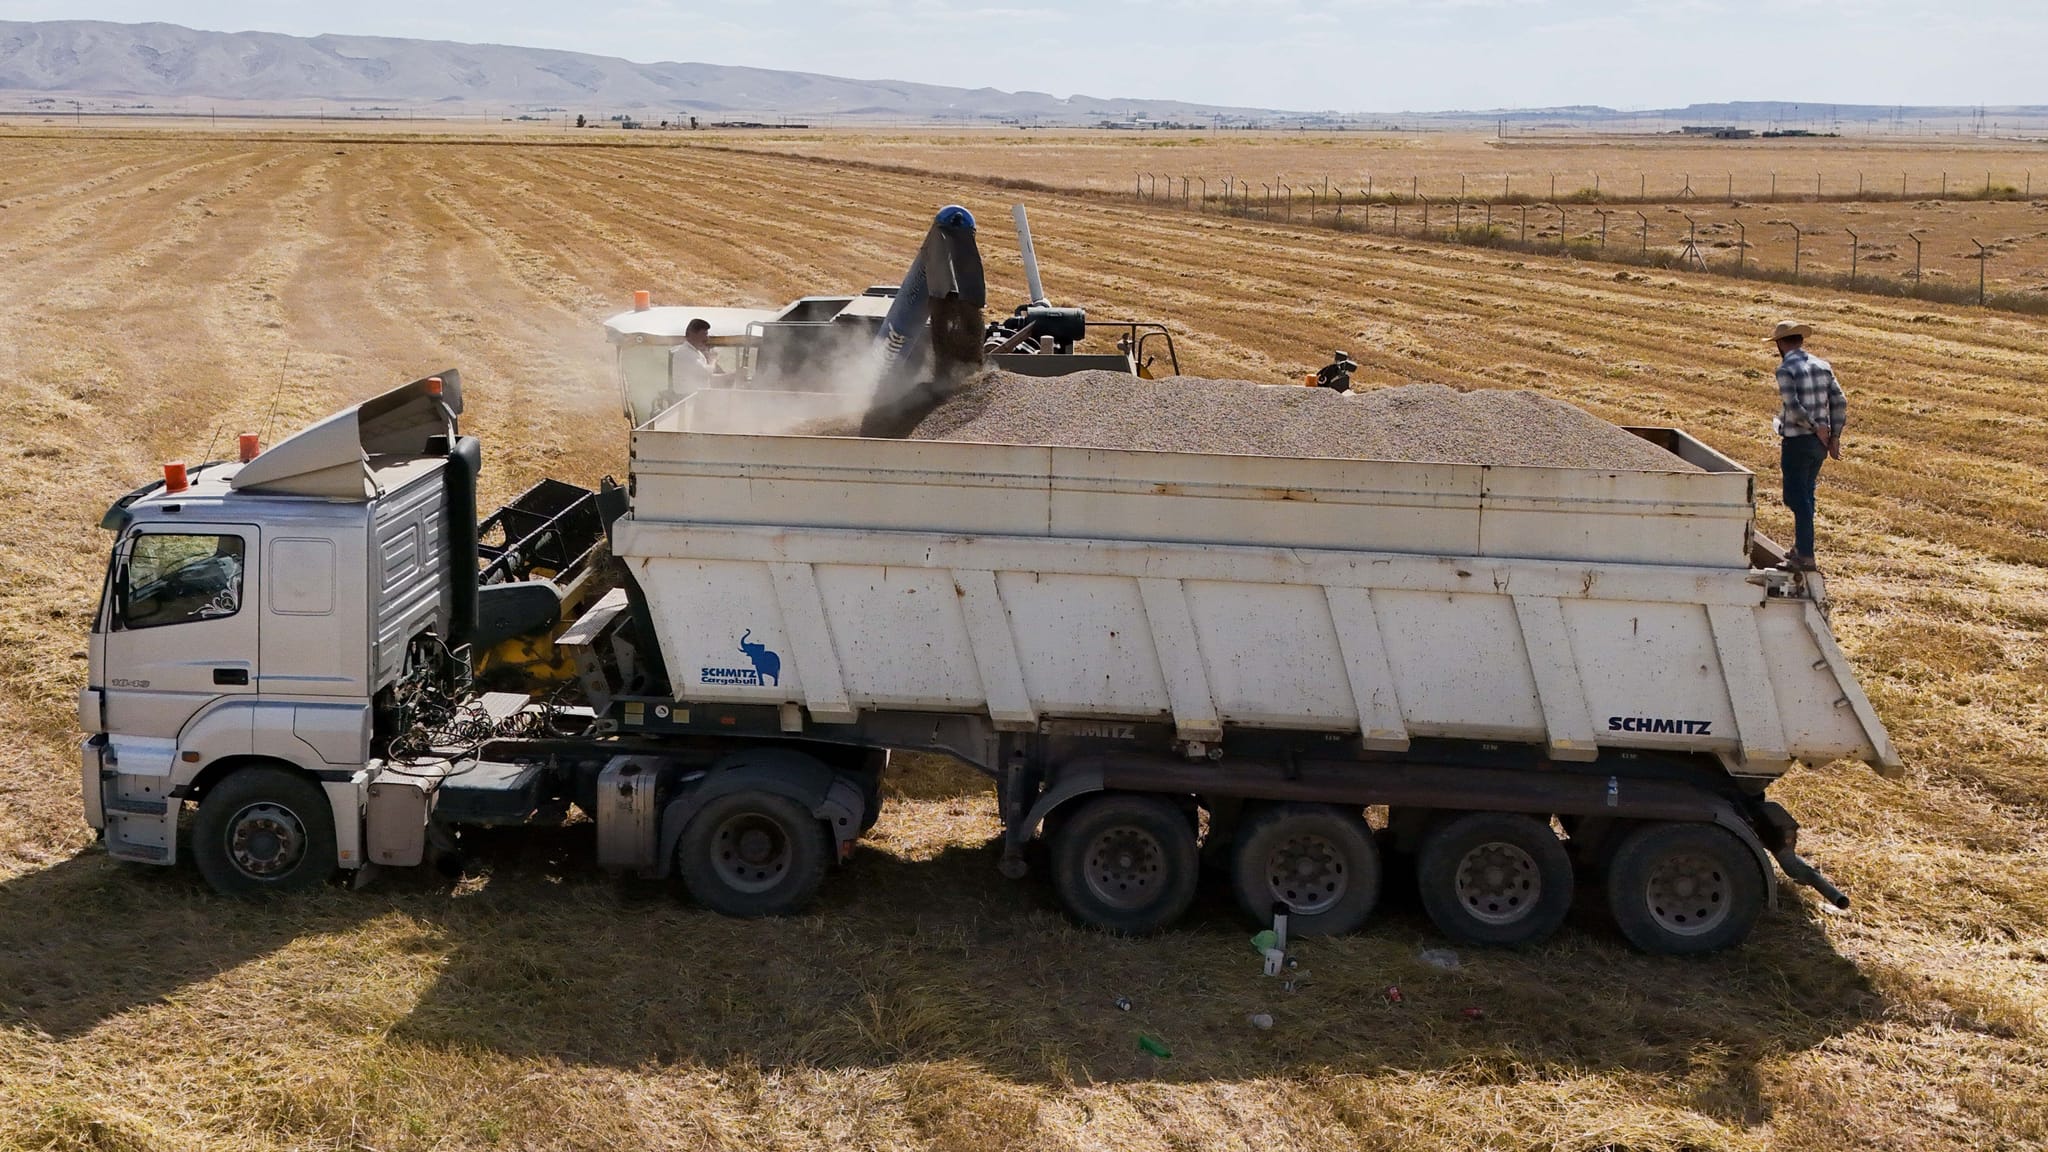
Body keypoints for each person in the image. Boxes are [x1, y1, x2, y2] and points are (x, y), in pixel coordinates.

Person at [1767, 320, 1847, 572]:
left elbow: (1793, 407)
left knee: (1795, 497)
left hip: (1798, 440)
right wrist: (1833, 436)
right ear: (1801, 340)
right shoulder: (1823, 366)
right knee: (1807, 494)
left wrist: (1814, 426)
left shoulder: (1786, 370)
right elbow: (1840, 401)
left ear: (1780, 344)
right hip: (1818, 445)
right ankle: (1801, 547)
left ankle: (1805, 554)